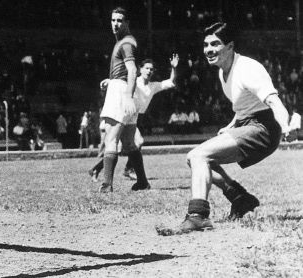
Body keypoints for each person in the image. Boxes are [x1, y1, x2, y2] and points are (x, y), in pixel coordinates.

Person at [160, 22, 293, 235]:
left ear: (230, 46)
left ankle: (198, 216)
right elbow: (243, 106)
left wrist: (285, 126)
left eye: (215, 44)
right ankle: (241, 199)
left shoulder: (248, 69)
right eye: (205, 45)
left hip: (264, 129)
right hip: (247, 123)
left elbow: (275, 103)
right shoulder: (223, 71)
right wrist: (231, 125)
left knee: (199, 155)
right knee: (194, 159)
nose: (209, 50)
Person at [90, 56, 179, 182]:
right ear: (140, 69)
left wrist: (174, 67)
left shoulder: (154, 86)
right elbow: (120, 83)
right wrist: (108, 82)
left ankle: (99, 169)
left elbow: (171, 82)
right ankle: (126, 170)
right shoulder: (133, 81)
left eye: (152, 69)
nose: (149, 71)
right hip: (125, 114)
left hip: (135, 116)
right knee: (135, 143)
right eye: (147, 68)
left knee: (124, 147)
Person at [97, 7, 148, 193]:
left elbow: (133, 70)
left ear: (127, 23)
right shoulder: (125, 42)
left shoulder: (125, 43)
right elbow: (127, 72)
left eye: (120, 20)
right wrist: (111, 80)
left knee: (111, 138)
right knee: (128, 143)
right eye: (113, 20)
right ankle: (142, 181)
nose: (115, 24)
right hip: (126, 91)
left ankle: (106, 185)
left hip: (122, 93)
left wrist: (125, 95)